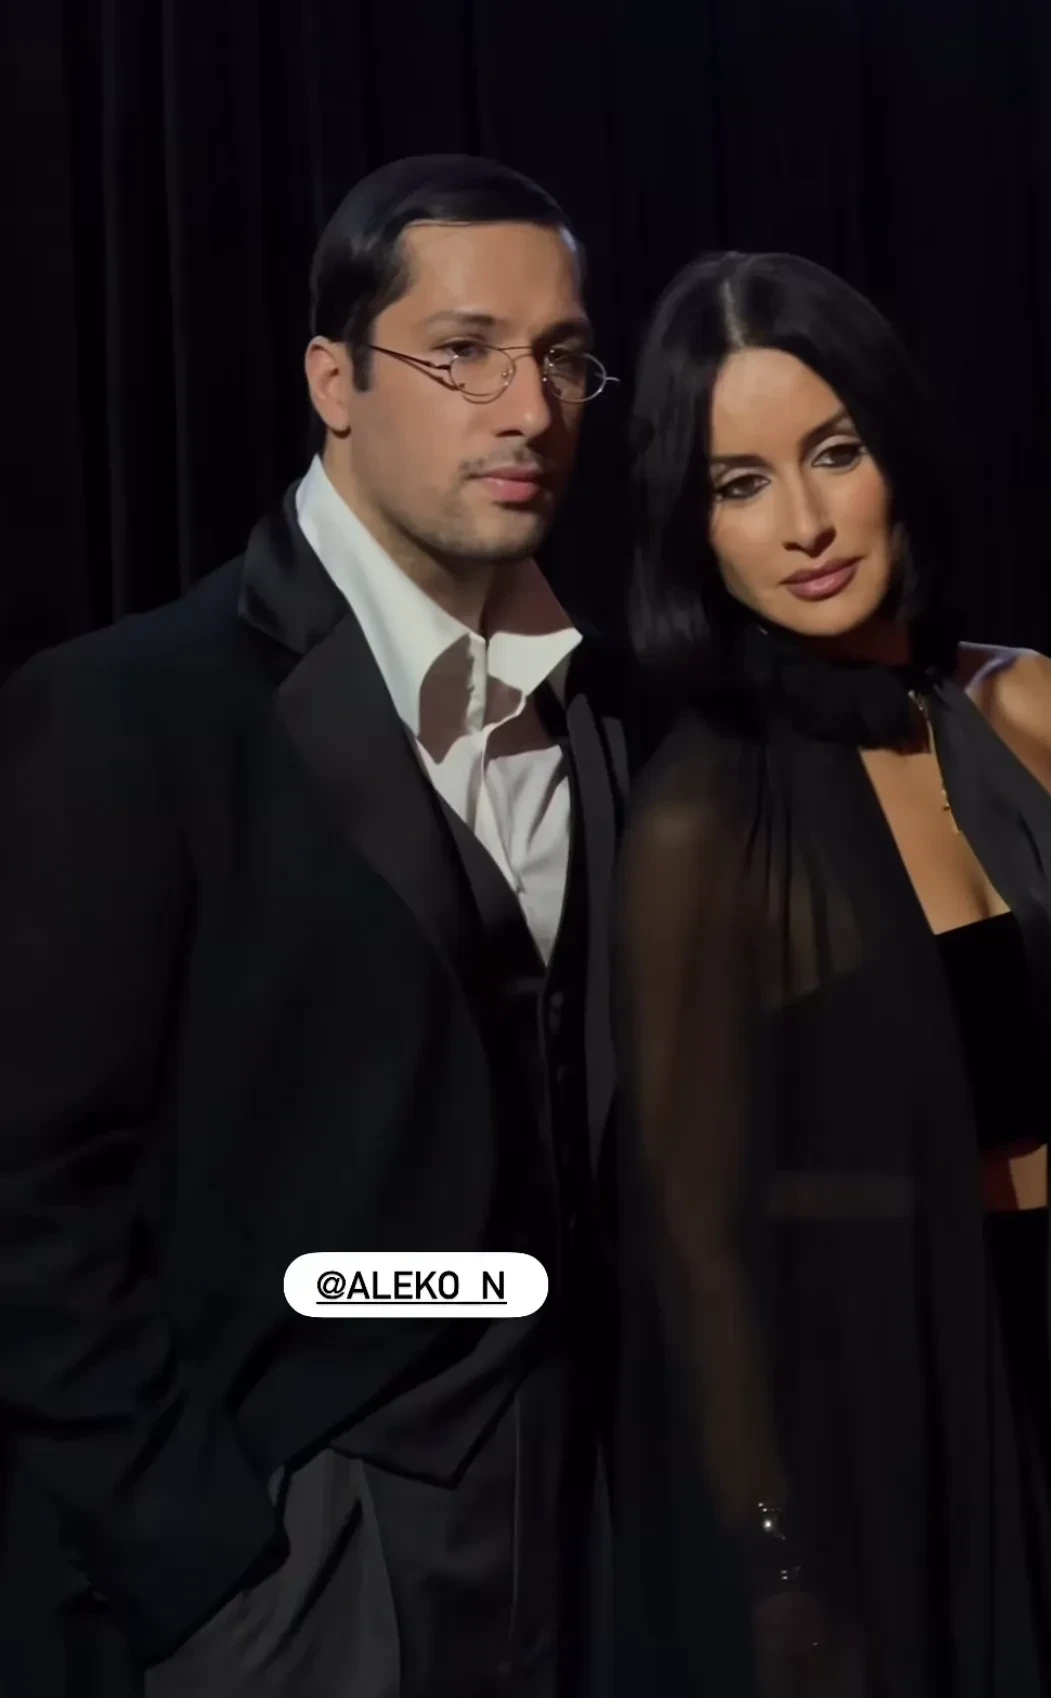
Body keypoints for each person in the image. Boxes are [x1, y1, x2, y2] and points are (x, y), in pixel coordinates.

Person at [0, 154, 636, 1698]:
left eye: (561, 358)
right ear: (332, 380)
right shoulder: (131, 710)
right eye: (464, 353)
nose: (528, 408)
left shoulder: (612, 710)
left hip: (593, 1516)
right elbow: (27, 1190)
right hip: (298, 1532)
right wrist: (202, 1552)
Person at [609, 250, 1051, 1697]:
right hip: (871, 1420)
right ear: (692, 525)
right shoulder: (700, 820)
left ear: (896, 452)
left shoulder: (1049, 711)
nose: (802, 523)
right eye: (740, 484)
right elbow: (692, 1235)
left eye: (834, 452)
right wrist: (778, 1561)